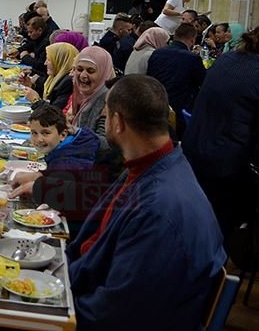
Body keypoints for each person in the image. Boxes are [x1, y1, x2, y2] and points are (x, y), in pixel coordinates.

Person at [66, 75, 226, 331]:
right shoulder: (161, 165)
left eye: (106, 114)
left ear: (117, 122)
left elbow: (114, 314)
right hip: (91, 289)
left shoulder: (159, 212)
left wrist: (53, 308)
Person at [184, 23, 259, 239]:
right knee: (221, 227)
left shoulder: (226, 60)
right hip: (228, 166)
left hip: (194, 151)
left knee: (199, 223)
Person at [9, 105, 102, 234]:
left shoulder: (68, 161)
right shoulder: (72, 147)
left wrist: (40, 184)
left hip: (79, 228)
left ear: (63, 134)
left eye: (45, 133)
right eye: (34, 133)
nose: (38, 139)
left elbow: (64, 183)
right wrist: (41, 175)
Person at [146, 22, 205, 137]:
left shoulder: (157, 53)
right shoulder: (192, 58)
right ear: (192, 40)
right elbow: (203, 81)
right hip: (181, 108)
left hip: (157, 103)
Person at [69, 46, 115, 143]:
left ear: (104, 73)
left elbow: (105, 144)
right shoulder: (81, 95)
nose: (83, 76)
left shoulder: (108, 100)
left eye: (90, 71)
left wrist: (73, 131)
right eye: (80, 69)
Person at [23, 43, 78, 110]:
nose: (45, 63)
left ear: (59, 61)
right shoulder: (56, 77)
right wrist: (31, 85)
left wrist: (35, 100)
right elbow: (49, 99)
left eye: (49, 60)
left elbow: (54, 112)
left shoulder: (68, 82)